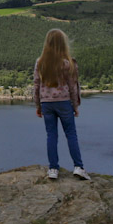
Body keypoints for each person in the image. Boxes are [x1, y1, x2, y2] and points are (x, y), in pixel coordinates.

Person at [33, 28, 88, 181]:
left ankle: (53, 169)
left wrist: (38, 106)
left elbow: (36, 85)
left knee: (51, 135)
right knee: (71, 134)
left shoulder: (40, 62)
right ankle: (78, 167)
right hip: (64, 103)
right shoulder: (68, 63)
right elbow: (73, 86)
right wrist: (75, 106)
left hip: (46, 104)